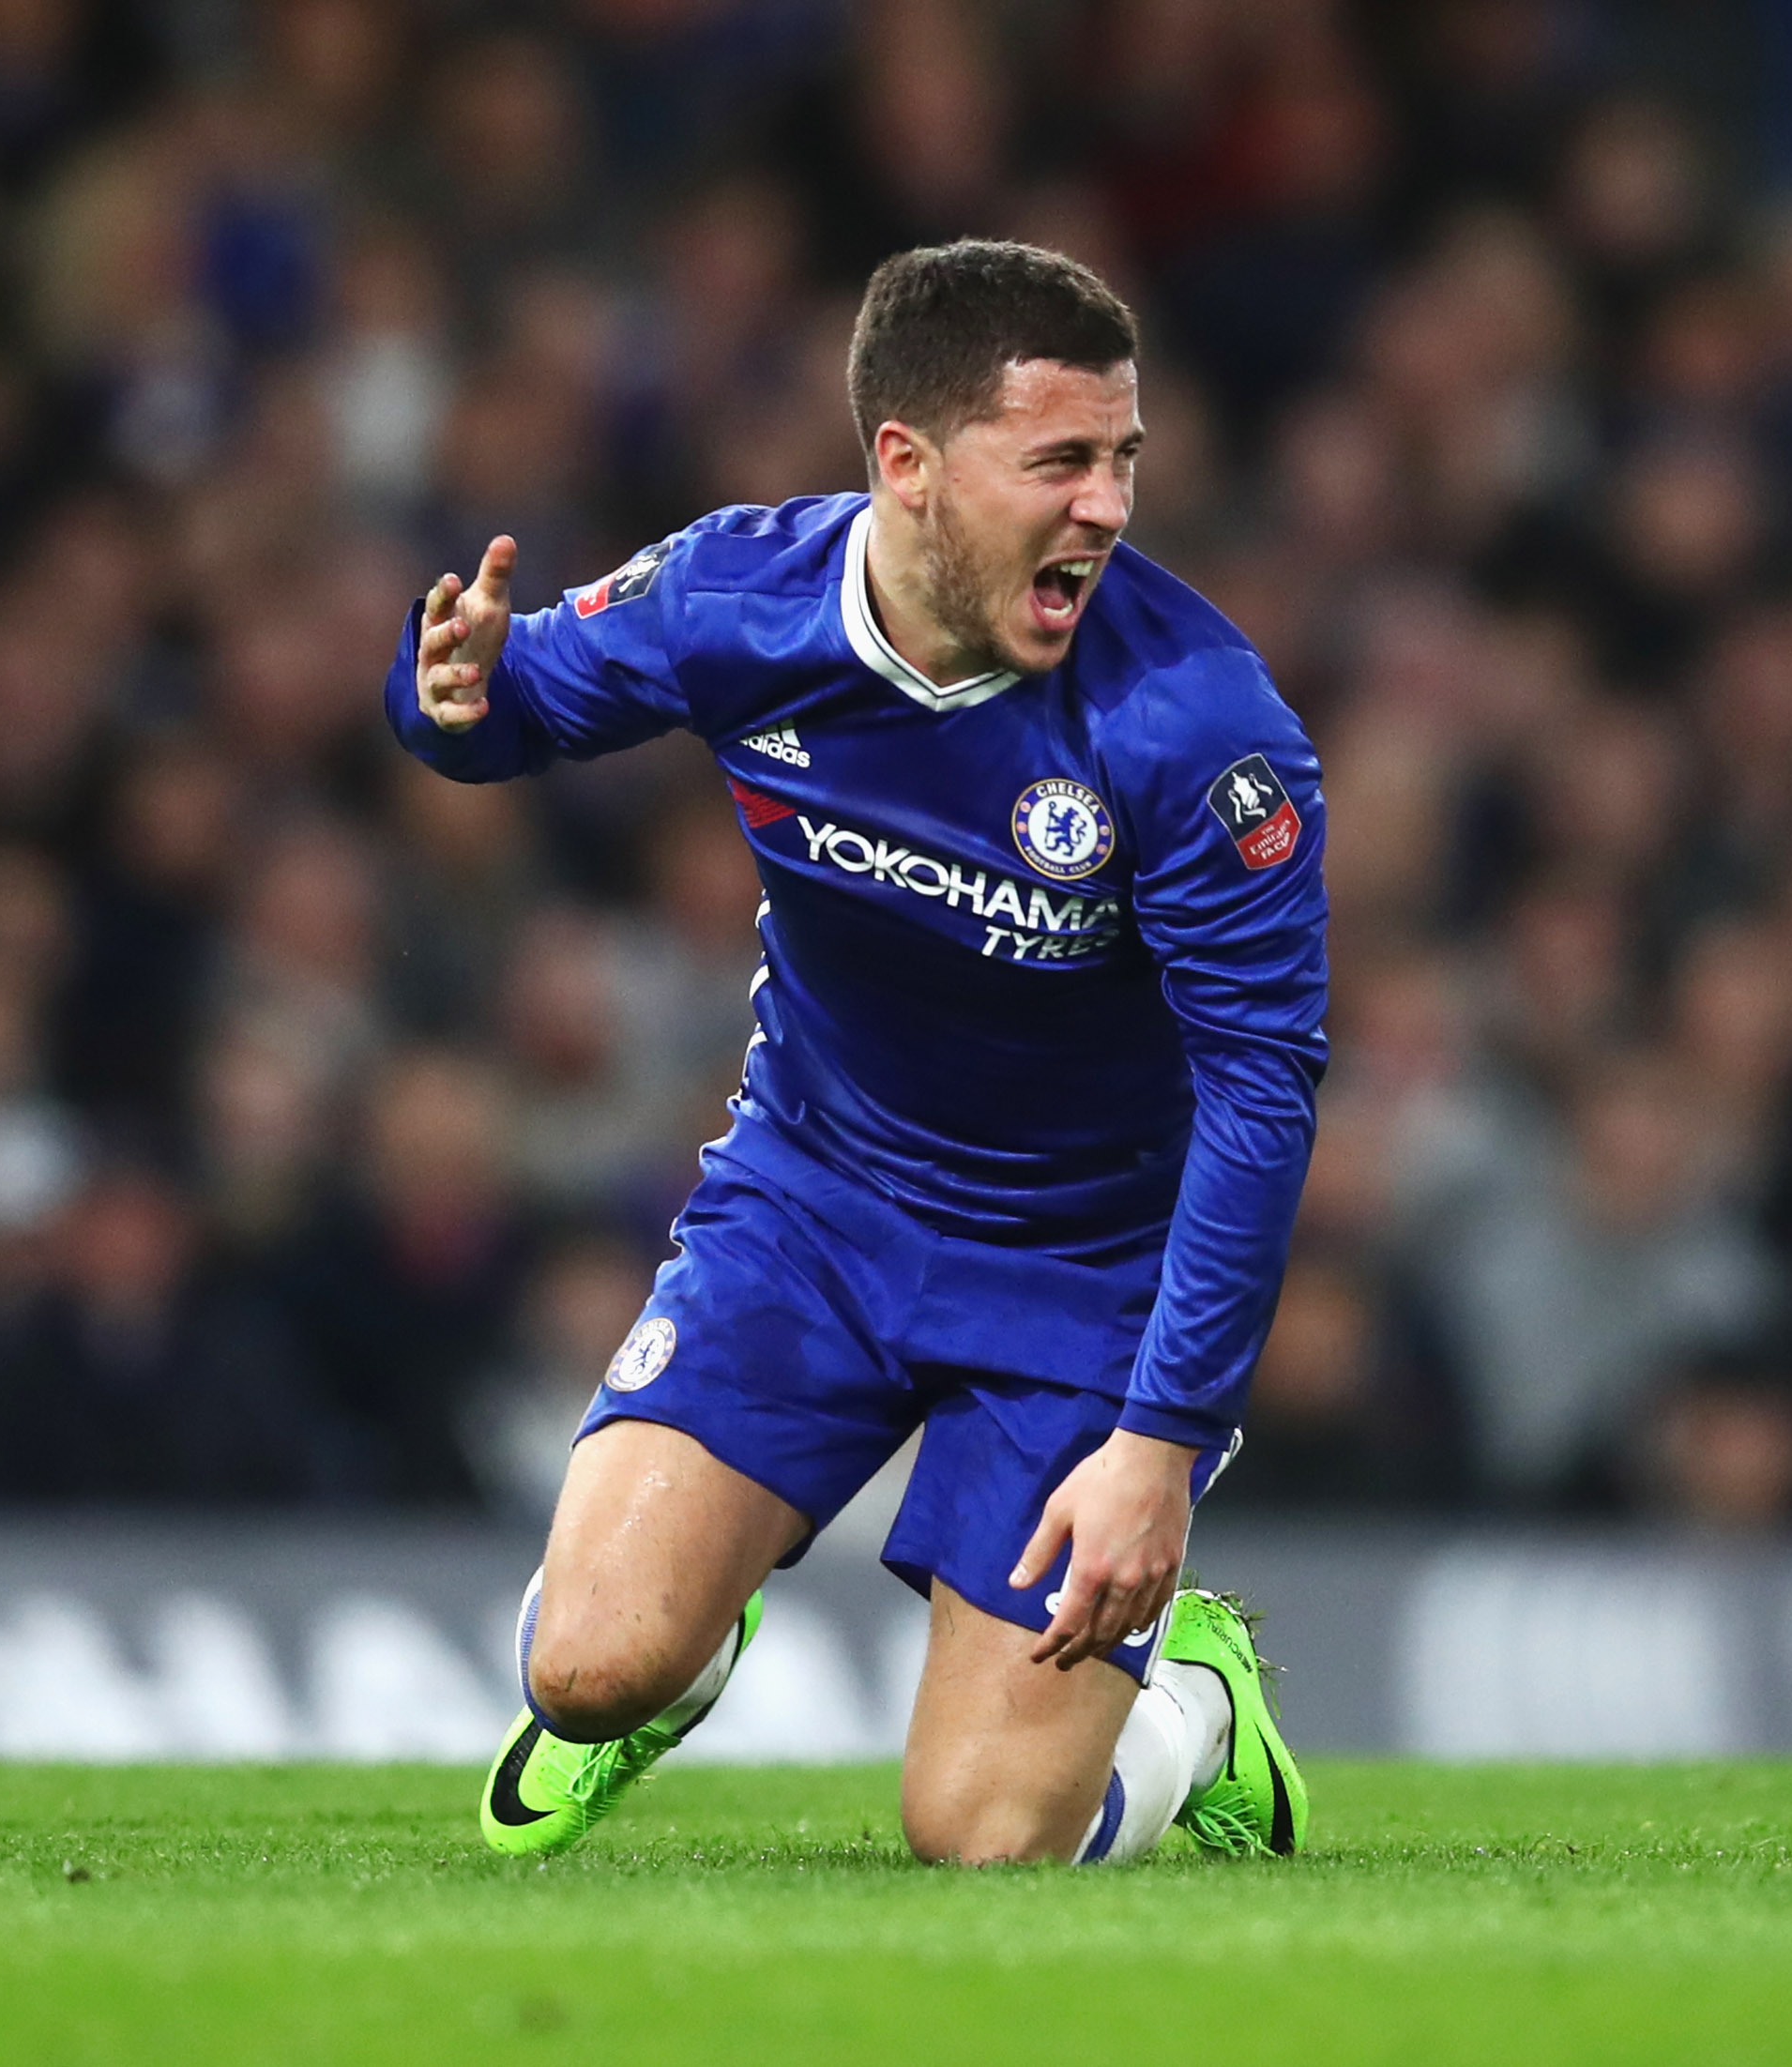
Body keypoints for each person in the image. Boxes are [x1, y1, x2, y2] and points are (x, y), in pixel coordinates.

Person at [387, 242, 1325, 1866]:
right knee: (586, 1666)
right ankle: (674, 1658)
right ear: (907, 463)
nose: (1105, 507)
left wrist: (1159, 1448)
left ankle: (1196, 1709)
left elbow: (1260, 1095)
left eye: (1123, 461)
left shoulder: (1198, 728)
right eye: (1059, 463)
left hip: (1080, 1274)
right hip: (817, 1208)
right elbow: (511, 702)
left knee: (985, 1839)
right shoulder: (741, 601)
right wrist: (446, 700)